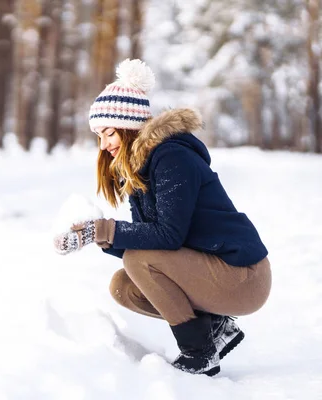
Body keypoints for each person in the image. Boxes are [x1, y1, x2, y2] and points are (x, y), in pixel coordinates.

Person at [53, 59, 271, 376]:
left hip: (243, 275)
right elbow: (147, 235)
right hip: (213, 269)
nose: (104, 145)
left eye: (108, 133)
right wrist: (94, 235)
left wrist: (107, 230)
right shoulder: (140, 166)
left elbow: (168, 237)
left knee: (138, 261)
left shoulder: (171, 157)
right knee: (124, 286)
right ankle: (216, 329)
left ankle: (199, 353)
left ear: (128, 125)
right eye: (98, 136)